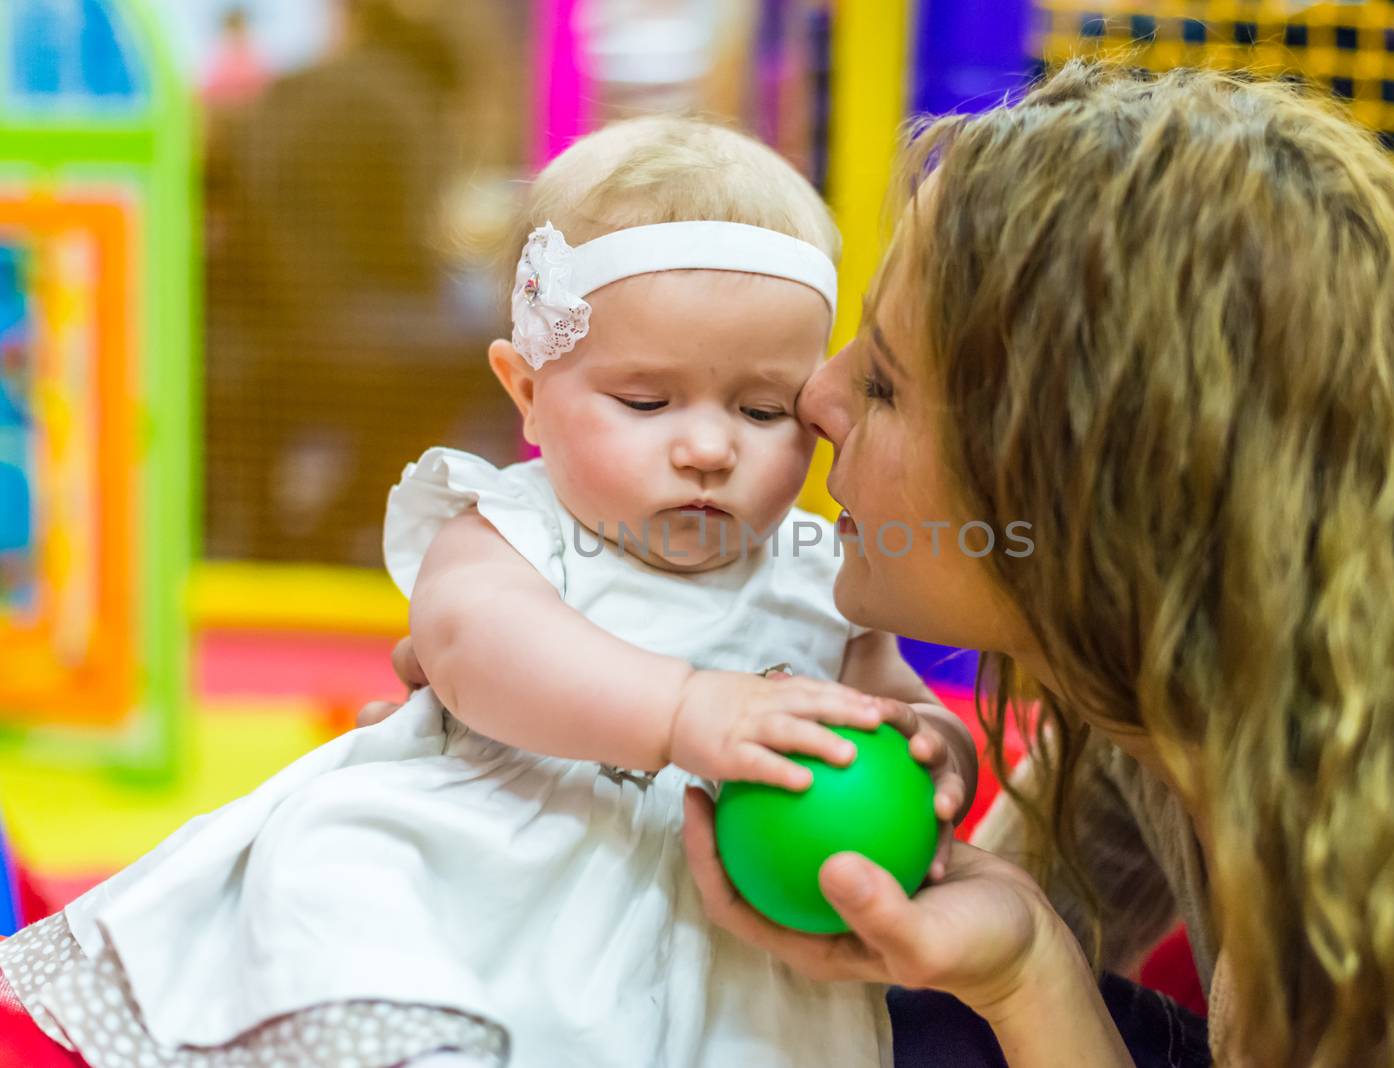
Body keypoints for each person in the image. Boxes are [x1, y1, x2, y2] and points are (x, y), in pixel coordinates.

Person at [373, 61, 1394, 1067]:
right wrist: (560, 702)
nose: (814, 397)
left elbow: (1004, 968)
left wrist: (1027, 984)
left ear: (1076, 479)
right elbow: (955, 921)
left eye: (888, 382)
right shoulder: (1146, 686)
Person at [0, 117, 979, 1068]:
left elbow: (884, 696)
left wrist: (931, 753)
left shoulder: (813, 566)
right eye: (646, 401)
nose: (710, 447)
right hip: (485, 885)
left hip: (731, 940)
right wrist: (684, 708)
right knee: (351, 920)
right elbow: (478, 647)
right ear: (526, 392)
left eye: (765, 410)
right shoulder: (510, 527)